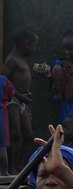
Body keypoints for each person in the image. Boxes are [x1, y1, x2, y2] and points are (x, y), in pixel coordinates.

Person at [1, 27, 37, 174]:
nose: (35, 48)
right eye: (34, 45)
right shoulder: (12, 60)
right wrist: (18, 95)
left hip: (22, 102)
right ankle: (10, 167)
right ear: (26, 44)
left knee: (28, 135)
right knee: (15, 134)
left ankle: (20, 165)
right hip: (12, 101)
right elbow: (2, 81)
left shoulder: (23, 60)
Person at [0, 76, 13, 175]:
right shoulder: (4, 80)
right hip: (1, 114)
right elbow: (10, 96)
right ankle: (4, 171)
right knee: (2, 146)